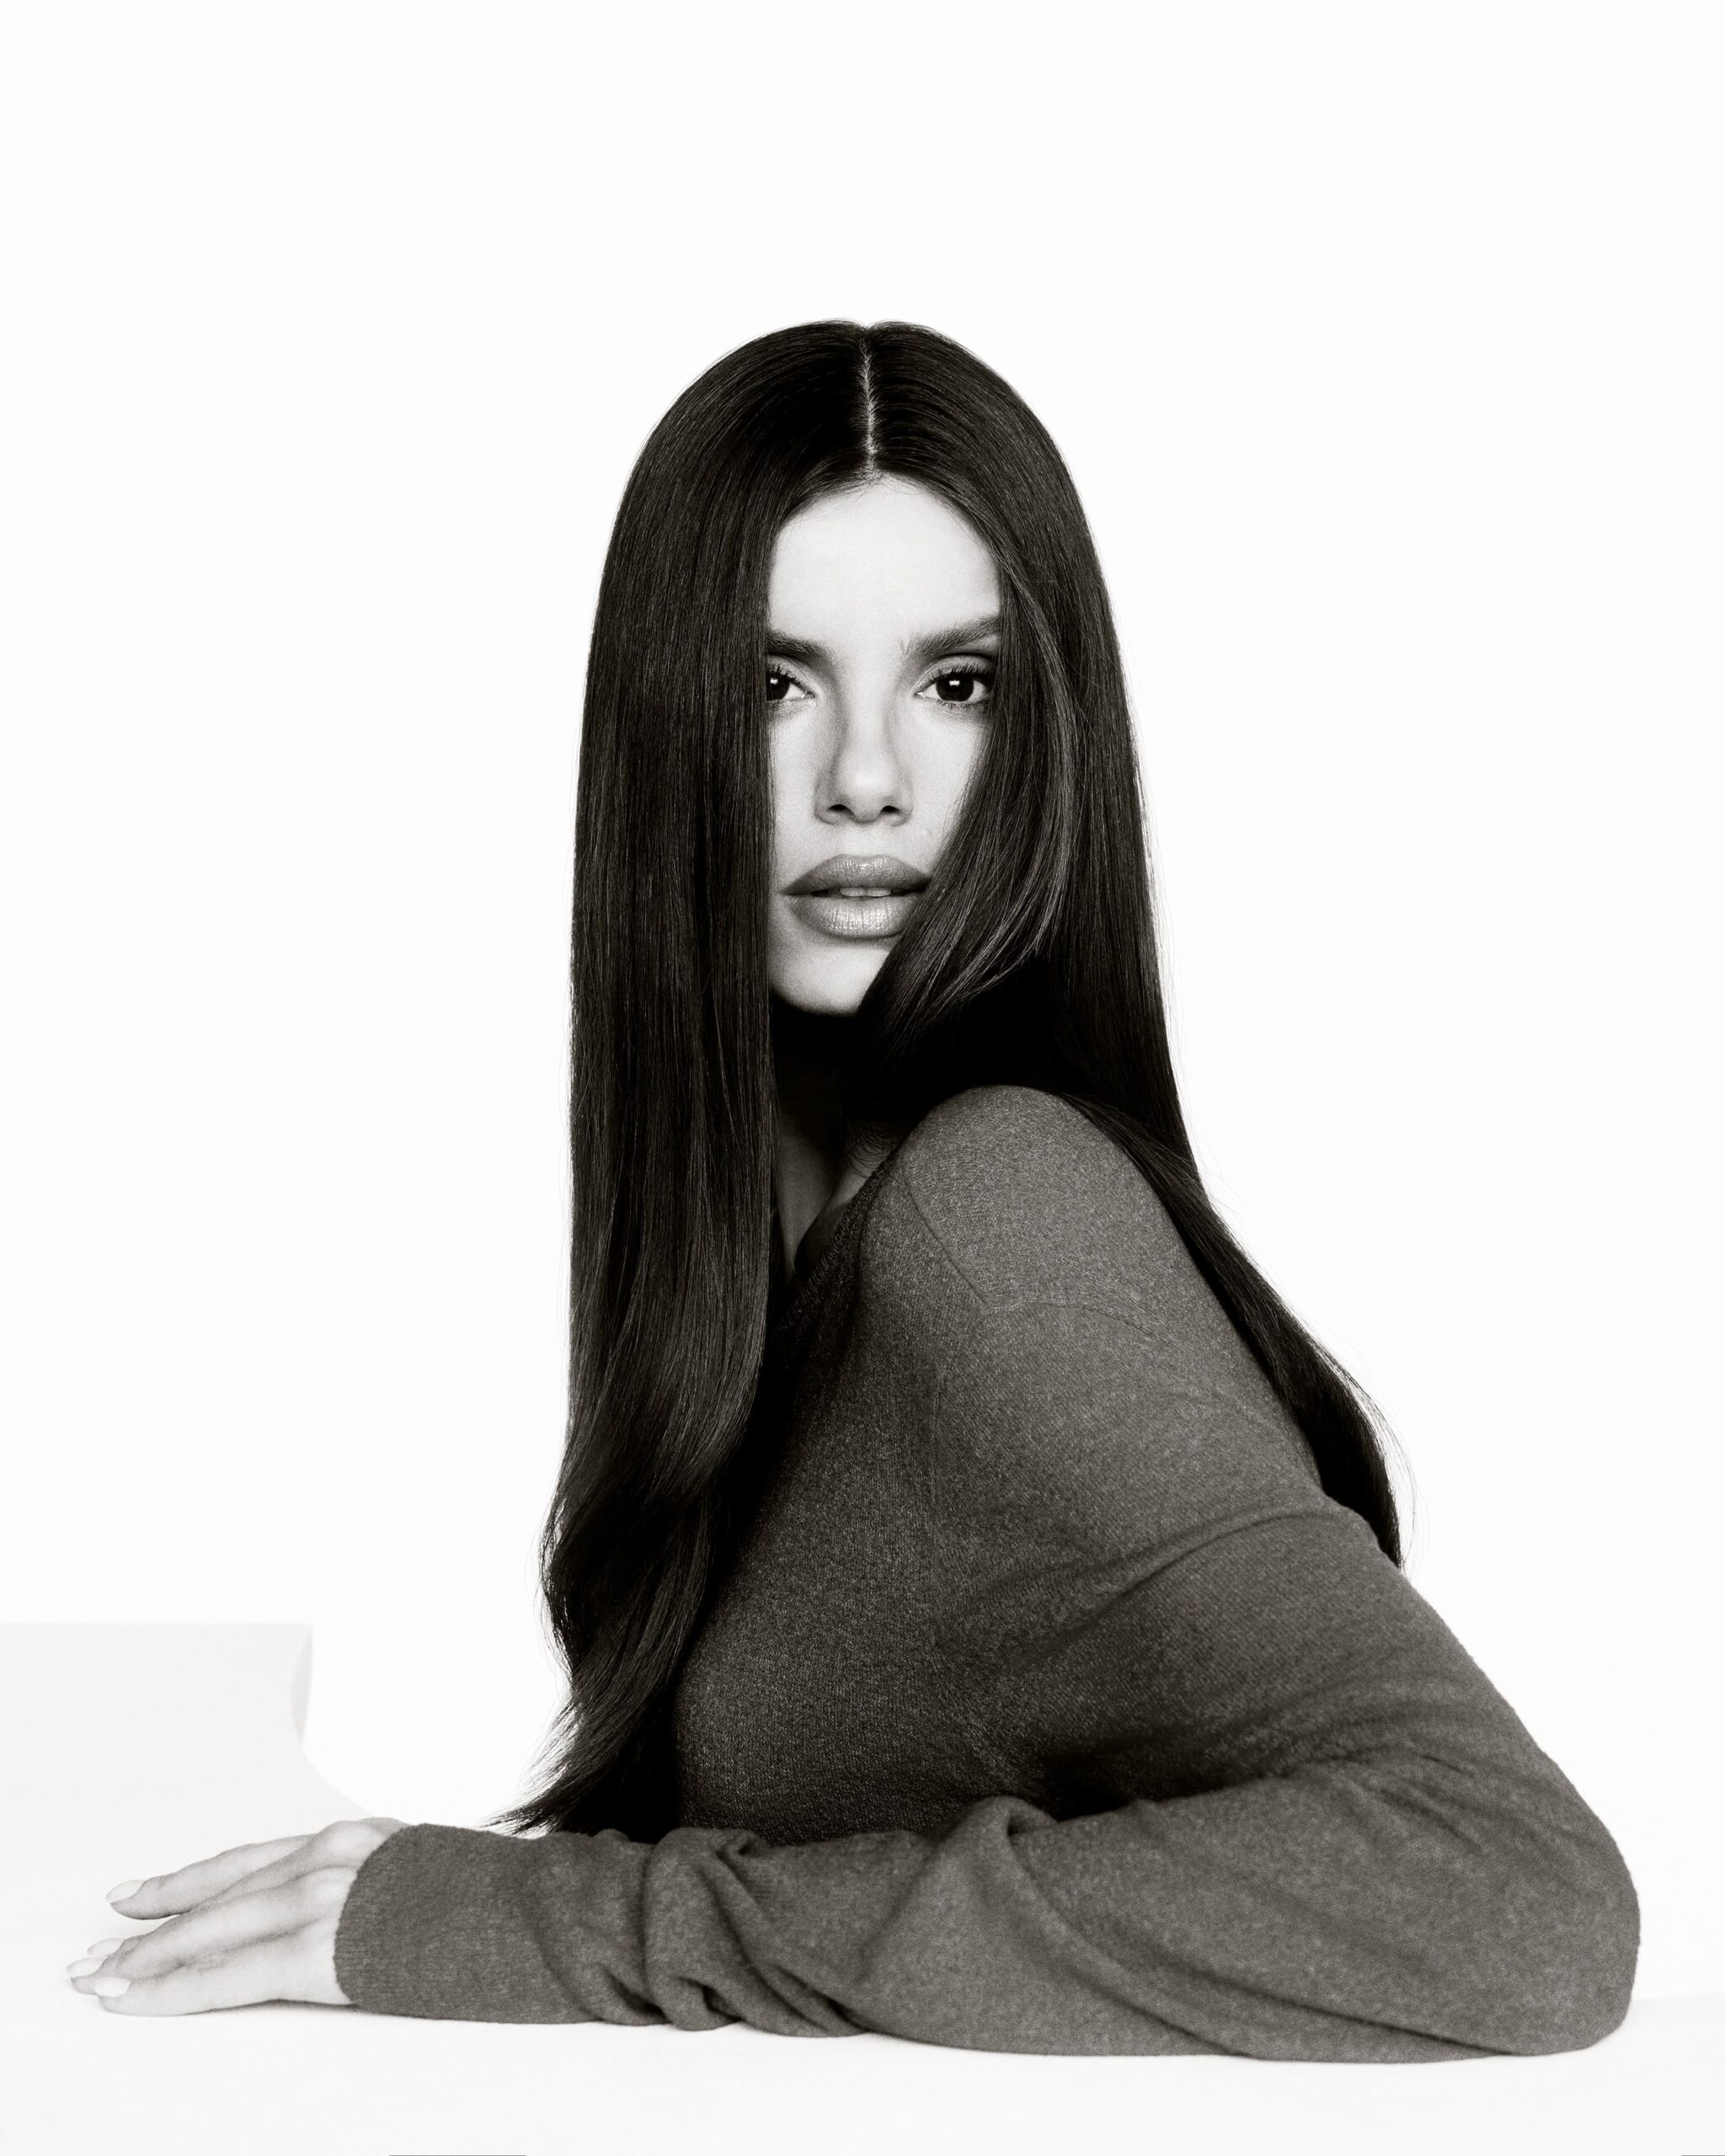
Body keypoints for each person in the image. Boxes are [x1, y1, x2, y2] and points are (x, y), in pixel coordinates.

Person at [68, 321, 1639, 2058]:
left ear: (1046, 731)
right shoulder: (771, 1253)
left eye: (958, 684)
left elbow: (1519, 1902)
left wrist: (544, 1919)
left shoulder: (1000, 1213)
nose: (868, 781)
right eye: (775, 684)